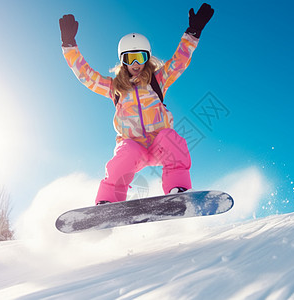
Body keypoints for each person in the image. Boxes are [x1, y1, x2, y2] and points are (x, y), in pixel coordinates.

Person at [59, 3, 214, 205]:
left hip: (159, 142)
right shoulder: (115, 87)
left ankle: (178, 189)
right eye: (129, 58)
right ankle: (108, 202)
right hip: (134, 146)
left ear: (147, 58)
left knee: (173, 142)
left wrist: (192, 33)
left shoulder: (158, 80)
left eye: (140, 57)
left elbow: (179, 61)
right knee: (120, 162)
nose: (135, 64)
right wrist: (69, 46)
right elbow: (87, 77)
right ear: (123, 61)